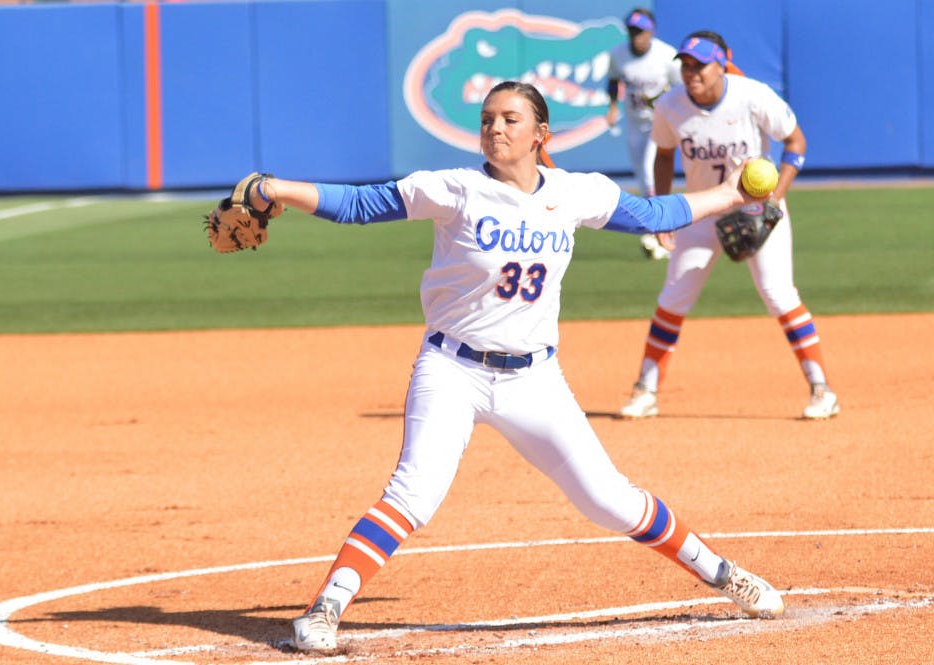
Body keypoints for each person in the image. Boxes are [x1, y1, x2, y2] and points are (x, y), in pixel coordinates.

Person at [237, 80, 785, 652]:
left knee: (609, 500)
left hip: (535, 380)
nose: (496, 129)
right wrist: (274, 188)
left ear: (540, 134)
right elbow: (358, 205)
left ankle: (725, 574)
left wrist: (733, 194)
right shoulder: (454, 189)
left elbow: (654, 213)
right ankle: (324, 609)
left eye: (511, 119)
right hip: (453, 369)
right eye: (488, 119)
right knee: (414, 493)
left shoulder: (575, 193)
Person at [617, 31, 840, 421]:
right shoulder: (670, 106)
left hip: (759, 210)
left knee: (777, 293)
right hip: (703, 209)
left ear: (722, 64)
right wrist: (663, 212)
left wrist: (773, 200)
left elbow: (796, 142)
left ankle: (822, 389)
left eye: (699, 65)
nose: (691, 73)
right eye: (685, 65)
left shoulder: (753, 96)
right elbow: (664, 157)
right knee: (674, 298)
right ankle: (645, 390)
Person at [605, 8, 681, 260]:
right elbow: (614, 80)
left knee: (650, 174)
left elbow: (681, 88)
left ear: (651, 32)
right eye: (632, 31)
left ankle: (659, 230)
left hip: (659, 123)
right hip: (635, 123)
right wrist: (613, 106)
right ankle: (658, 227)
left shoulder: (666, 55)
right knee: (642, 178)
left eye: (641, 31)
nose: (636, 36)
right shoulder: (618, 54)